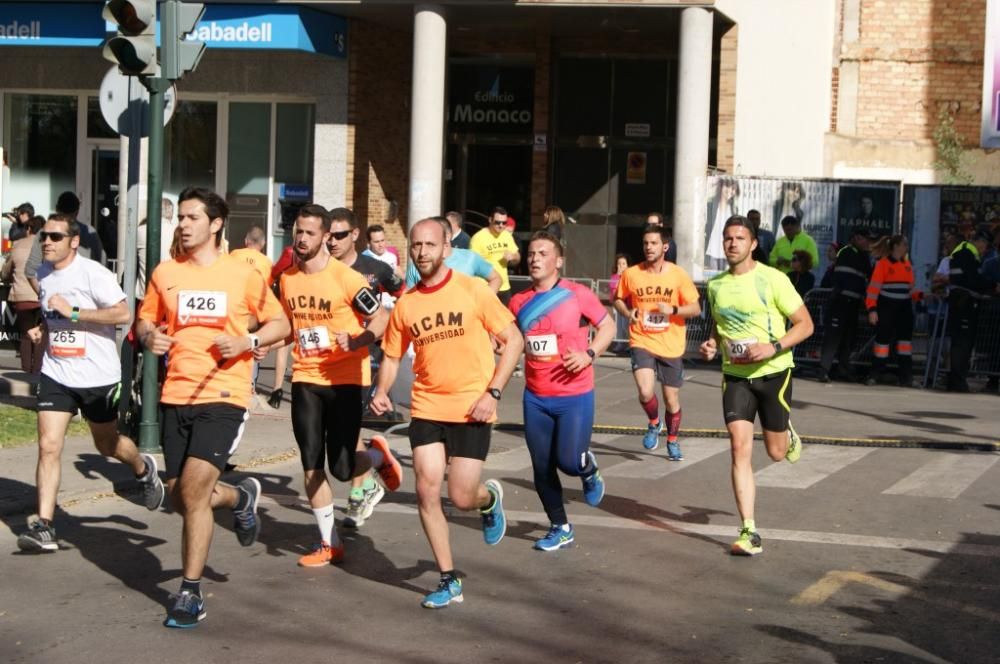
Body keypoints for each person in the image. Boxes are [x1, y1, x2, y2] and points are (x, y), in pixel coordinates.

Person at [137, 187, 290, 628]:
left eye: (191, 218)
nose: (183, 225)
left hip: (224, 393)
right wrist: (150, 336)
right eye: (180, 218)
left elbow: (280, 322)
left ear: (216, 224)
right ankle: (241, 497)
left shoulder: (242, 274)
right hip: (175, 394)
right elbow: (146, 318)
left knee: (193, 488)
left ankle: (190, 592)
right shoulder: (166, 272)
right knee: (182, 496)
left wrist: (248, 340)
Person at [370, 218, 523, 609]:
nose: (422, 253)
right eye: (416, 246)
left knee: (461, 495)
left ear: (446, 248)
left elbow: (513, 340)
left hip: (473, 405)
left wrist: (493, 392)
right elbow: (390, 355)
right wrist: (382, 390)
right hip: (427, 406)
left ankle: (488, 500)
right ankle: (448, 577)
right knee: (425, 489)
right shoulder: (407, 303)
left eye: (429, 245)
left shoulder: (472, 289)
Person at [16, 213, 165, 552]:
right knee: (48, 446)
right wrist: (45, 327)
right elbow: (52, 311)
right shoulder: (42, 274)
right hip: (57, 373)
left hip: (98, 376)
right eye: (44, 237)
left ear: (74, 241)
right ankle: (45, 526)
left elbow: (123, 314)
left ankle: (143, 468)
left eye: (55, 237)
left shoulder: (94, 274)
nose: (47, 243)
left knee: (107, 445)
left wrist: (74, 313)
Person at [275, 203, 403, 565]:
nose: (301, 238)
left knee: (342, 468)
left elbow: (380, 317)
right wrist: (262, 343)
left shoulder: (347, 278)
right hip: (306, 377)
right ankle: (330, 542)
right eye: (298, 231)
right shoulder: (287, 279)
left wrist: (361, 340)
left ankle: (376, 455)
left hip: (346, 379)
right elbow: (288, 323)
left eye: (310, 233)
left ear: (325, 237)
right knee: (310, 461)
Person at [699, 214, 813, 556]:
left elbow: (805, 324)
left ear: (753, 244)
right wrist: (711, 344)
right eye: (727, 239)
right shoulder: (716, 285)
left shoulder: (773, 280)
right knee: (738, 447)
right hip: (735, 376)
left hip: (774, 372)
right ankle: (749, 530)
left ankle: (786, 433)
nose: (732, 244)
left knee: (777, 454)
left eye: (739, 238)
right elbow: (720, 329)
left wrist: (773, 346)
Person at [509, 231, 615, 550]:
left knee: (568, 462)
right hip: (536, 397)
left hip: (574, 396)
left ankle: (588, 468)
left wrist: (589, 354)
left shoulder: (577, 294)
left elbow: (608, 326)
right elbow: (510, 341)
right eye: (531, 253)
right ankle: (560, 525)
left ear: (559, 261)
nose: (535, 259)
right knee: (541, 466)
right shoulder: (518, 301)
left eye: (542, 253)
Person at [325, 206, 405, 528]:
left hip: (365, 357)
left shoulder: (375, 269)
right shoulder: (321, 268)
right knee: (337, 428)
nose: (332, 242)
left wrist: (397, 333)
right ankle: (373, 462)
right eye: (328, 236)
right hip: (327, 359)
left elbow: (404, 297)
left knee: (348, 425)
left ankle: (360, 492)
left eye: (340, 235)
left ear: (355, 235)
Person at [613, 224, 700, 459]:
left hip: (671, 343)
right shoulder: (632, 273)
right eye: (645, 243)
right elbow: (618, 299)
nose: (648, 247)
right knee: (644, 390)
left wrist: (673, 308)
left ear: (665, 246)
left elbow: (695, 308)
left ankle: (672, 440)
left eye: (653, 243)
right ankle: (653, 421)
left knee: (671, 399)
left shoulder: (678, 274)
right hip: (642, 339)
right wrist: (627, 312)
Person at [818, 226, 874, 383]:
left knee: (848, 337)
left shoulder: (863, 256)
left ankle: (844, 369)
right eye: (865, 239)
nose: (868, 243)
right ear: (856, 238)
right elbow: (844, 278)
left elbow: (869, 276)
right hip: (840, 302)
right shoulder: (846, 252)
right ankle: (823, 370)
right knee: (833, 337)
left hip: (853, 304)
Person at [865, 234, 921, 387]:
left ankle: (906, 377)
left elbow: (910, 289)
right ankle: (875, 375)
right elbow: (873, 289)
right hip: (887, 307)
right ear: (896, 246)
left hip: (904, 308)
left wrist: (922, 296)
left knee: (905, 344)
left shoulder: (907, 265)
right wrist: (872, 309)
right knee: (882, 342)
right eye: (904, 244)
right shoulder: (882, 264)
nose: (906, 248)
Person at [25, 192, 104, 293]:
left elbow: (30, 270)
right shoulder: (90, 232)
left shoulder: (45, 232)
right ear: (77, 211)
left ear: (57, 208)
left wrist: (44, 296)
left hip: (56, 298)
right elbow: (101, 265)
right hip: (83, 299)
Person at [946, 230, 994, 392]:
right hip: (964, 304)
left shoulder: (966, 254)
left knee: (962, 343)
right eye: (985, 245)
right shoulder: (967, 254)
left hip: (963, 302)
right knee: (962, 344)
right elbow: (973, 280)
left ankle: (956, 380)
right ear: (978, 241)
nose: (985, 249)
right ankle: (957, 382)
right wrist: (993, 287)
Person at [230, 226, 274, 401]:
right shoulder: (266, 262)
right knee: (254, 345)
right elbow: (267, 290)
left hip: (234, 308)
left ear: (246, 241)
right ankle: (250, 385)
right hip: (254, 312)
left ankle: (233, 380)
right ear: (262, 244)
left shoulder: (233, 255)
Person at [404, 217, 501, 292]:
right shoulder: (418, 265)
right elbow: (410, 299)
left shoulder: (470, 257)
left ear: (447, 236)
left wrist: (482, 304)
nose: (423, 251)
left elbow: (496, 278)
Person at [1, 214, 45, 373]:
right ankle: (38, 372)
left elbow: (6, 272)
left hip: (21, 298)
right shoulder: (45, 245)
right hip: (41, 297)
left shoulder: (18, 244)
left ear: (28, 228)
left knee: (26, 335)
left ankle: (27, 372)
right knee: (41, 335)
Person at [470, 206, 520, 305]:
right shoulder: (478, 238)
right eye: (497, 222)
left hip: (504, 286)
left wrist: (513, 257)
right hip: (486, 286)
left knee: (505, 319)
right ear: (490, 220)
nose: (501, 225)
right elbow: (472, 264)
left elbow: (518, 257)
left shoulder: (506, 235)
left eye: (504, 223)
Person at [705, 179, 740, 271]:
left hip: (728, 251)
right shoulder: (711, 206)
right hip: (712, 250)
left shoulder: (734, 210)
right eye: (727, 186)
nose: (730, 191)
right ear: (721, 187)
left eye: (733, 189)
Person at [609, 253, 630, 353]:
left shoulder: (630, 276)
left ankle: (628, 343)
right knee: (618, 324)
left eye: (624, 264)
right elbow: (613, 287)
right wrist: (618, 275)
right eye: (619, 264)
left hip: (627, 305)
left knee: (626, 325)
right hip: (617, 305)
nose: (621, 266)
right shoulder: (614, 277)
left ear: (628, 265)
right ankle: (620, 343)